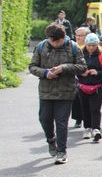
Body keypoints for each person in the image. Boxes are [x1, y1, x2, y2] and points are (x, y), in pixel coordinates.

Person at [29, 23, 87, 164]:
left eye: (57, 41)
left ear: (64, 37)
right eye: (52, 40)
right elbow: (32, 67)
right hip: (46, 90)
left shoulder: (72, 47)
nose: (54, 43)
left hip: (66, 91)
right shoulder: (41, 47)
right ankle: (51, 139)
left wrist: (64, 68)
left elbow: (82, 67)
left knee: (61, 122)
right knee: (45, 119)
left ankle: (62, 151)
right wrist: (45, 73)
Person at [77, 33, 102, 142]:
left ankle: (96, 129)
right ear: (85, 45)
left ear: (97, 45)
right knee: (85, 109)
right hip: (83, 86)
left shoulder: (101, 57)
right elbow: (74, 70)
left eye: (93, 45)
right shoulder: (80, 56)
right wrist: (82, 73)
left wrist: (98, 73)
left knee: (95, 109)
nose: (91, 48)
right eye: (89, 45)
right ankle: (87, 128)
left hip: (97, 86)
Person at [70, 27, 90, 128]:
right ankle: (78, 119)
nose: (78, 37)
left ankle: (87, 119)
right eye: (77, 35)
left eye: (80, 35)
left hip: (86, 76)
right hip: (74, 75)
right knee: (75, 98)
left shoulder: (89, 46)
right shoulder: (73, 46)